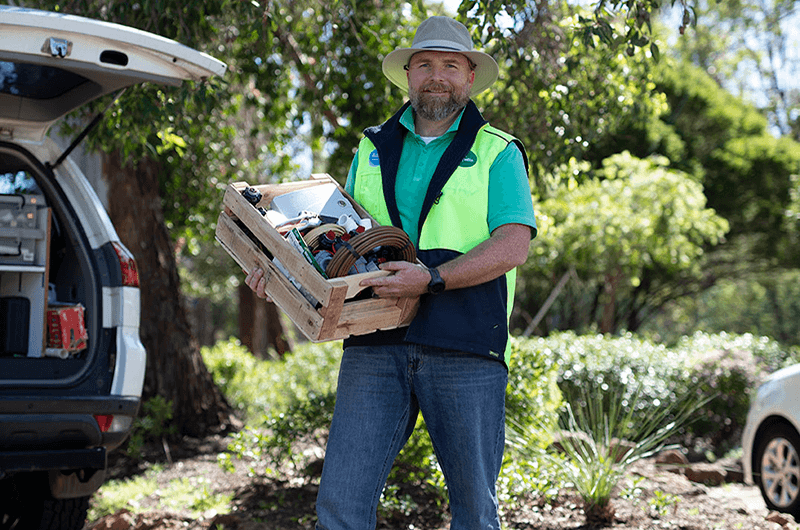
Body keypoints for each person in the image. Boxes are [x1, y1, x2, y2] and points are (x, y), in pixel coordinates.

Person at [245, 15, 537, 530]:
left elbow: (513, 245)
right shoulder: (370, 146)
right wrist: (285, 277)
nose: (437, 75)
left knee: (474, 513)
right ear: (408, 74)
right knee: (340, 506)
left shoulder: (499, 151)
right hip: (375, 340)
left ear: (470, 77)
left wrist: (431, 278)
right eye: (425, 64)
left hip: (466, 343)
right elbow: (343, 241)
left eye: (451, 65)